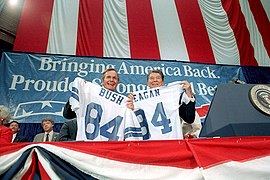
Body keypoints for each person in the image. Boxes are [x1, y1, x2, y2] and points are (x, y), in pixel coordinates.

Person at [60, 68, 133, 141]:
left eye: (114, 78)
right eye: (108, 77)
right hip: (89, 145)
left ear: (117, 82)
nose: (111, 80)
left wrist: (131, 111)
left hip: (110, 146)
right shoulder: (90, 95)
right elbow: (67, 114)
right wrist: (80, 92)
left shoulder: (123, 102)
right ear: (103, 80)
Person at [128, 69, 196, 124]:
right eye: (151, 78)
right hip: (150, 139)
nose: (155, 80)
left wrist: (189, 94)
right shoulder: (139, 99)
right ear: (147, 82)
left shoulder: (172, 95)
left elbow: (189, 119)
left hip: (171, 139)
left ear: (163, 82)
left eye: (158, 78)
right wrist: (131, 108)